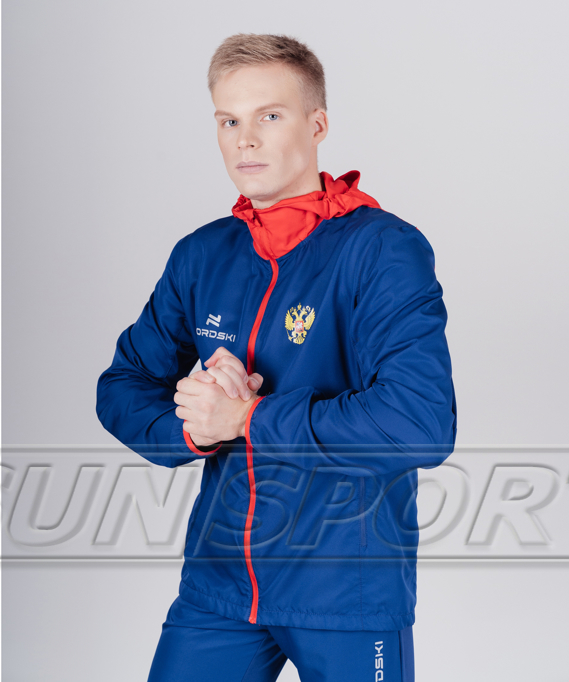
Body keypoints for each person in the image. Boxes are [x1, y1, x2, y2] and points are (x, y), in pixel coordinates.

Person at [97, 32, 457, 682]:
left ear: (317, 125)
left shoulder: (381, 250)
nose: (245, 140)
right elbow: (122, 385)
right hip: (218, 590)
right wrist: (194, 429)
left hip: (345, 594)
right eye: (228, 120)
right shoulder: (203, 254)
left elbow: (419, 425)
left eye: (269, 115)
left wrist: (246, 419)